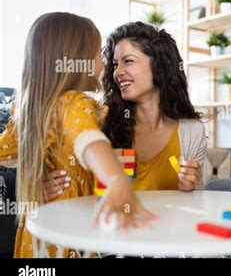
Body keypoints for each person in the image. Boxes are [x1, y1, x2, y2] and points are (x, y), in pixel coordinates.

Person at [0, 12, 155, 258]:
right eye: (97, 53)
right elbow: (89, 141)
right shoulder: (74, 103)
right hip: (69, 238)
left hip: (35, 238)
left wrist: (32, 178)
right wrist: (116, 181)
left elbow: (5, 151)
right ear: (76, 61)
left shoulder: (26, 109)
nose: (103, 64)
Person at [43, 22, 207, 200]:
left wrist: (190, 186)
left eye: (128, 61)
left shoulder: (192, 132)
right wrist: (44, 184)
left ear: (160, 66)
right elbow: (72, 176)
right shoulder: (98, 121)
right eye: (114, 64)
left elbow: (195, 202)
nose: (117, 73)